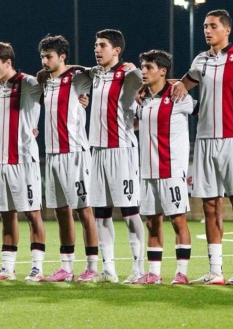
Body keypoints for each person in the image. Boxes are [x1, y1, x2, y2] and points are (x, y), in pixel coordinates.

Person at [173, 10, 233, 285]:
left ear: (227, 30)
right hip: (204, 140)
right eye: (205, 26)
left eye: (213, 26)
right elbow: (182, 84)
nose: (207, 30)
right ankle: (215, 270)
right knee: (210, 206)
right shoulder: (200, 60)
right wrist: (163, 86)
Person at [0, 42, 46, 281]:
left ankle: (37, 268)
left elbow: (55, 97)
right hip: (1, 160)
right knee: (7, 215)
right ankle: (7, 268)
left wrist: (80, 98)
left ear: (8, 62)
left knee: (32, 214)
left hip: (24, 160)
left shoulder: (28, 83)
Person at [38, 35, 99, 282]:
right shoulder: (44, 81)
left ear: (62, 57)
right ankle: (66, 267)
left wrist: (74, 68)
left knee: (84, 210)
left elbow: (100, 71)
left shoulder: (76, 78)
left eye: (49, 57)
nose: (44, 61)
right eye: (42, 57)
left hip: (75, 153)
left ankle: (92, 267)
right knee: (61, 212)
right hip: (52, 154)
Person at [87, 29, 145, 283]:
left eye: (102, 45)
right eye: (96, 45)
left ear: (117, 50)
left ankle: (138, 268)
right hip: (98, 151)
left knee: (130, 211)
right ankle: (108, 269)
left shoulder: (129, 74)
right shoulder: (95, 74)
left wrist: (138, 71)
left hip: (122, 150)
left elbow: (156, 80)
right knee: (101, 212)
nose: (97, 49)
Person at [134, 50, 194, 285]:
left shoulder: (179, 96)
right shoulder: (142, 99)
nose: (143, 71)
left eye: (148, 67)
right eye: (142, 67)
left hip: (172, 170)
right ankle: (154, 273)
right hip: (147, 170)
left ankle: (182, 272)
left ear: (163, 71)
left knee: (178, 220)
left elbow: (203, 109)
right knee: (152, 222)